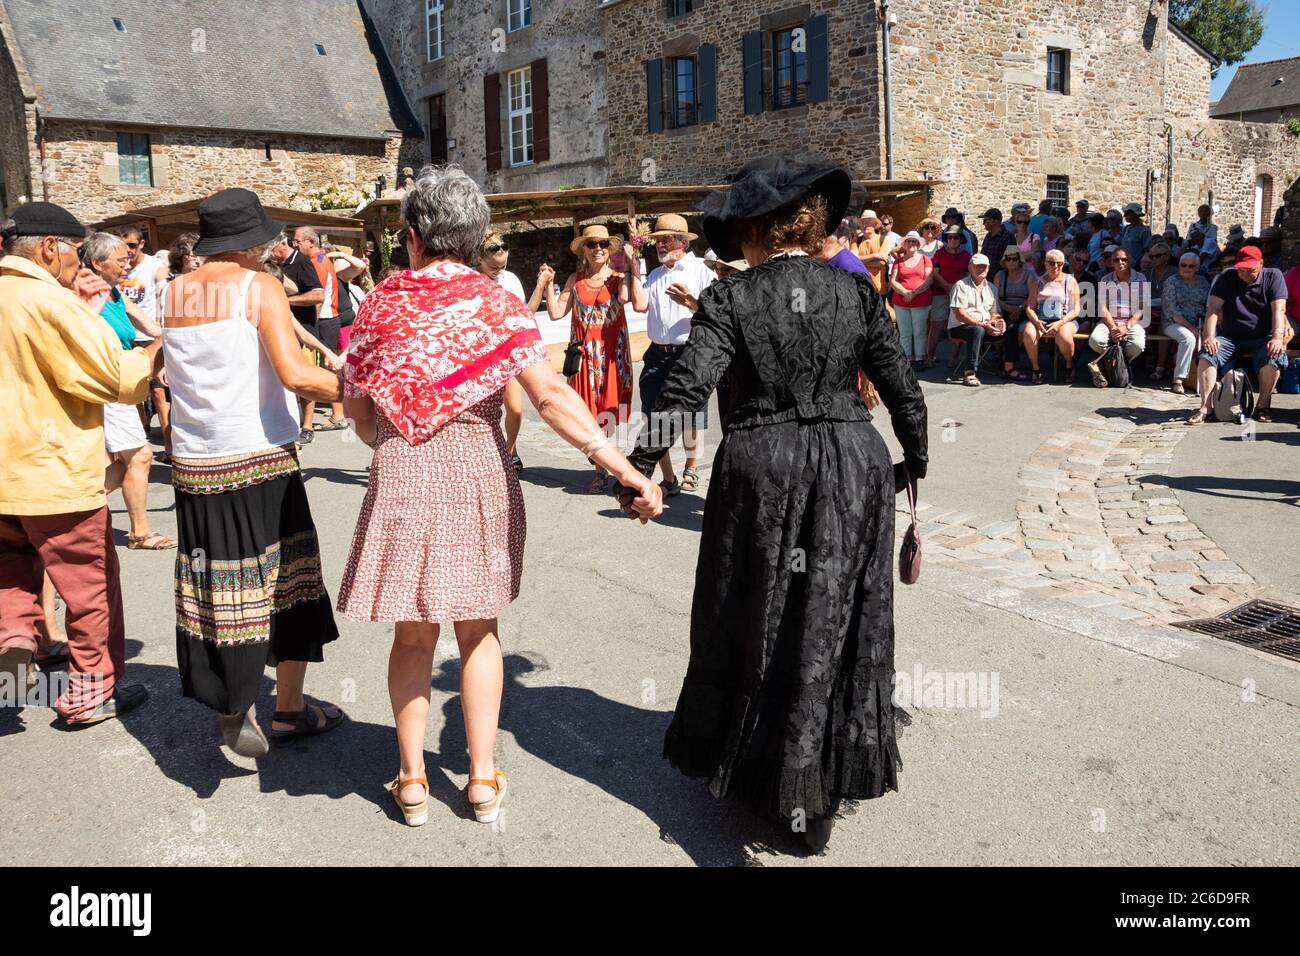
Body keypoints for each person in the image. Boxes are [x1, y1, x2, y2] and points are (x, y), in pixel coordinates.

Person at [615, 156, 927, 854]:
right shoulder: (854, 292)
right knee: (835, 614)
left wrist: (636, 468)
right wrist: (915, 463)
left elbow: (685, 391)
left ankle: (769, 774)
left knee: (756, 609)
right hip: (853, 463)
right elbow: (903, 388)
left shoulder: (732, 299)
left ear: (755, 229)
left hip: (765, 466)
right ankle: (811, 788)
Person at [339, 165, 661, 827]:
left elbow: (363, 417)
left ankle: (410, 780)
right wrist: (618, 464)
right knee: (479, 630)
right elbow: (547, 396)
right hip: (478, 467)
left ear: (414, 236)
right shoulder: (494, 302)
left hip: (403, 467)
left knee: (413, 634)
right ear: (474, 234)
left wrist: (394, 431)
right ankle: (481, 781)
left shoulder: (379, 303)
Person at [160, 188, 346, 757]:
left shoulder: (172, 292)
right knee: (289, 581)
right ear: (246, 241)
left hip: (194, 464)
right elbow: (294, 374)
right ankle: (285, 707)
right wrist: (361, 389)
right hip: (259, 458)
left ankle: (231, 699)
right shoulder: (256, 287)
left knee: (216, 586)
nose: (270, 248)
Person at [0, 202, 152, 724]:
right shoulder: (49, 302)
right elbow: (112, 375)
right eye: (73, 253)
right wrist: (149, 356)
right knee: (89, 589)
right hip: (53, 472)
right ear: (49, 247)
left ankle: (16, 644)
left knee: (11, 574)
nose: (76, 264)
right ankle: (90, 692)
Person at [81, 232, 175, 551]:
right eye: (120, 259)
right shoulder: (86, 294)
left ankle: (70, 510)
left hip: (120, 380)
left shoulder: (114, 291)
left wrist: (174, 333)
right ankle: (139, 531)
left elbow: (151, 327)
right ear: (96, 263)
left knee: (121, 462)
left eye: (127, 258)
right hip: (105, 382)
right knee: (140, 454)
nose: (127, 263)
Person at [628, 214, 716, 497]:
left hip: (689, 352)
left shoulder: (702, 269)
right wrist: (632, 268)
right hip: (656, 354)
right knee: (652, 414)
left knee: (691, 416)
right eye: (657, 240)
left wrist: (690, 302)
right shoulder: (654, 274)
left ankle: (691, 467)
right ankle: (668, 478)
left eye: (666, 239)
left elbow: (716, 312)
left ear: (682, 241)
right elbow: (640, 305)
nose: (661, 245)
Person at [544, 224, 635, 493]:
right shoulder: (575, 280)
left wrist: (630, 268)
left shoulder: (619, 278)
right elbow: (556, 312)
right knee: (587, 413)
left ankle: (602, 466)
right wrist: (549, 285)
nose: (598, 249)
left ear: (609, 250)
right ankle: (601, 466)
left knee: (607, 412)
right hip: (585, 358)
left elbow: (628, 299)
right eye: (592, 244)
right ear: (584, 249)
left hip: (611, 357)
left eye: (603, 245)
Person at [1188, 245, 1290, 424]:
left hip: (1261, 336)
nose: (1244, 274)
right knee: (1207, 355)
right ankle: (1205, 408)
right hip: (1229, 336)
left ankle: (1262, 406)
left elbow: (1278, 309)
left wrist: (1277, 337)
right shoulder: (1226, 277)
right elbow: (1213, 309)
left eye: (1249, 270)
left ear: (1261, 264)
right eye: (1241, 269)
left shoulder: (1273, 276)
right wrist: (1209, 337)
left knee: (1273, 356)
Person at [476, 231, 548, 472]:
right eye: (494, 267)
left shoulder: (510, 280)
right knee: (484, 412)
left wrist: (540, 285)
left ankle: (510, 450)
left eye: (503, 265)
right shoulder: (472, 283)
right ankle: (490, 456)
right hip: (480, 356)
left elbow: (526, 314)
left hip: (507, 353)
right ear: (479, 260)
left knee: (515, 409)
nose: (500, 271)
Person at [1086, 246, 1148, 387]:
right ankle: (1119, 365)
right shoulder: (1105, 279)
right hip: (1110, 322)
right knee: (1095, 340)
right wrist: (1114, 328)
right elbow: (1102, 308)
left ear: (1130, 260)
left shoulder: (1141, 278)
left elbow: (1142, 307)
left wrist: (1126, 327)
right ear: (1111, 262)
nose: (1121, 262)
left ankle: (1113, 365)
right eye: (1116, 259)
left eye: (1124, 259)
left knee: (1137, 344)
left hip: (1132, 323)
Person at [1024, 248, 1081, 385]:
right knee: (1028, 332)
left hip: (1065, 319)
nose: (1055, 266)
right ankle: (1036, 369)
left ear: (1063, 264)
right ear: (1045, 263)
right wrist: (1037, 322)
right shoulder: (1036, 282)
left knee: (1064, 336)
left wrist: (1060, 322)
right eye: (1051, 262)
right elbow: (1030, 308)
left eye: (1059, 263)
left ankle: (1069, 365)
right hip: (1041, 319)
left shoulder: (1070, 281)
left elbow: (1076, 310)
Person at [947, 253, 1004, 387]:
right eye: (977, 266)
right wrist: (982, 324)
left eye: (984, 267)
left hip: (984, 326)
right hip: (960, 327)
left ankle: (1009, 367)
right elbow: (959, 314)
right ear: (970, 267)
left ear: (988, 268)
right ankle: (969, 373)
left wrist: (998, 322)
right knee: (976, 330)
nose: (981, 269)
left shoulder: (992, 288)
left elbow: (995, 313)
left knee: (1011, 328)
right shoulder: (960, 285)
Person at [1160, 252, 1211, 395]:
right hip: (1173, 323)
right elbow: (1171, 311)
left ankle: (1208, 377)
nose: (1186, 268)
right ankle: (1178, 379)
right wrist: (1191, 327)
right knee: (1188, 338)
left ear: (1197, 268)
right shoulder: (1171, 281)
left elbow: (1208, 305)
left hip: (1198, 322)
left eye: (1191, 266)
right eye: (1183, 265)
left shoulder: (1203, 282)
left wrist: (1205, 325)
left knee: (1213, 337)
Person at [926, 224, 972, 366]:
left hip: (960, 294)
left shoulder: (966, 256)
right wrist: (946, 285)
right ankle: (930, 356)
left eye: (955, 237)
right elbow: (934, 271)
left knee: (957, 325)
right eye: (949, 237)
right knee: (937, 325)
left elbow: (969, 274)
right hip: (940, 292)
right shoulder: (940, 253)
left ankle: (954, 357)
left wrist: (955, 287)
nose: (952, 240)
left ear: (961, 239)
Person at [890, 231, 934, 370]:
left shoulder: (925, 260)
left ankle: (920, 357)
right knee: (905, 332)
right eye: (909, 241)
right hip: (901, 301)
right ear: (904, 244)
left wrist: (914, 293)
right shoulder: (898, 260)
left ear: (918, 244)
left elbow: (929, 280)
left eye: (914, 241)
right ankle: (907, 358)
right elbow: (893, 280)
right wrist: (905, 292)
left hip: (920, 301)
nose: (912, 244)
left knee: (919, 331)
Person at [993, 247, 1036, 381]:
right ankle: (1007, 363)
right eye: (1008, 259)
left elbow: (1032, 296)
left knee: (1011, 328)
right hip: (1004, 308)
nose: (1011, 261)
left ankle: (1009, 367)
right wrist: (1008, 308)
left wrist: (1019, 308)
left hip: (1024, 309)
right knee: (1005, 325)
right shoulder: (1000, 275)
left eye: (1014, 258)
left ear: (1020, 260)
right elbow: (994, 297)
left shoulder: (1029, 275)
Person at [979, 208, 1010, 276]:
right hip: (986, 276)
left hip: (1000, 278)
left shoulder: (1008, 237)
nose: (983, 223)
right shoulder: (988, 236)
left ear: (994, 221)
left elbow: (1010, 261)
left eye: (985, 220)